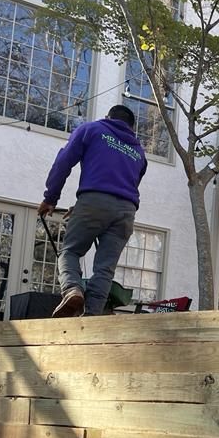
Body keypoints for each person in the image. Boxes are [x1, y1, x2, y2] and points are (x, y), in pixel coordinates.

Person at [38, 104, 147, 318]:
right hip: (126, 210)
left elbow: (63, 162)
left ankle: (72, 290)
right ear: (131, 128)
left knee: (70, 251)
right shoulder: (139, 152)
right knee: (105, 269)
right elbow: (123, 185)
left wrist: (50, 198)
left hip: (94, 201)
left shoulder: (92, 130)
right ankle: (93, 316)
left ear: (107, 117)